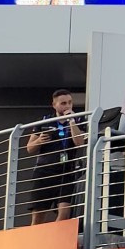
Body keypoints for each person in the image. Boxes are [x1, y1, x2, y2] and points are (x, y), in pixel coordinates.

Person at [26, 89, 86, 225]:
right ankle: (38, 238)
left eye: (70, 103)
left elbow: (79, 143)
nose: (67, 106)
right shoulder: (45, 120)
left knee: (64, 213)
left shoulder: (79, 119)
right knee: (38, 215)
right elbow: (29, 148)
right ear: (54, 105)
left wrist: (72, 121)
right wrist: (39, 141)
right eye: (63, 103)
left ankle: (56, 235)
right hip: (44, 171)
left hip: (66, 171)